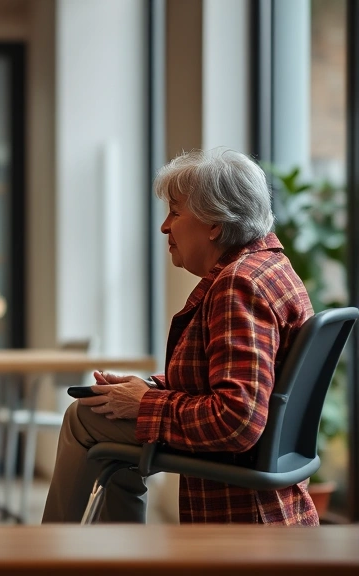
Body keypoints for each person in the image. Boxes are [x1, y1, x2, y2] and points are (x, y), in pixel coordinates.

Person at [42, 148, 318, 525]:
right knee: (103, 416)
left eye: (175, 212)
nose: (164, 227)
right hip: (265, 479)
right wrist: (145, 390)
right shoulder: (271, 267)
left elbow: (238, 420)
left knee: (84, 416)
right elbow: (235, 383)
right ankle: (108, 548)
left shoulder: (238, 285)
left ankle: (51, 548)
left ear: (214, 223)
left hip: (244, 490)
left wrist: (146, 404)